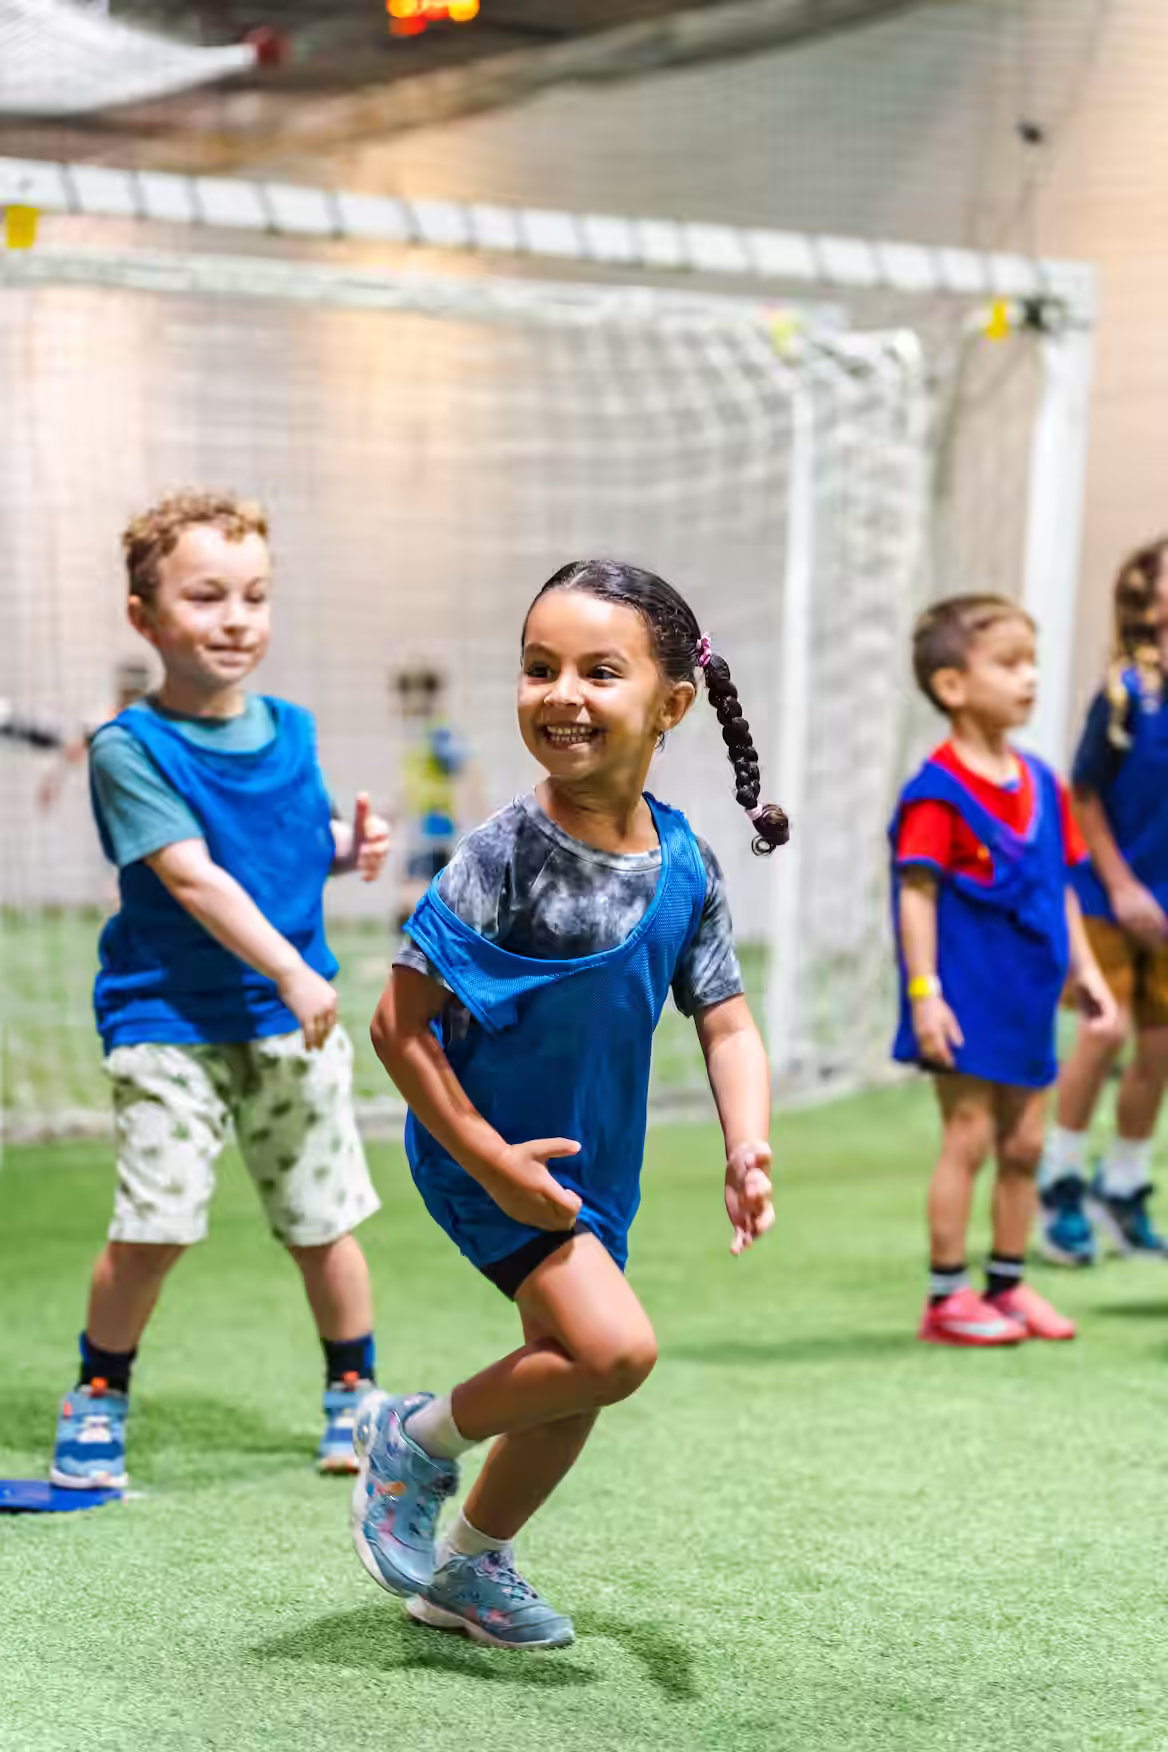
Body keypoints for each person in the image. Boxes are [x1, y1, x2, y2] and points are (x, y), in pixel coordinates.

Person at [351, 560, 782, 1649]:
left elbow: (727, 1023)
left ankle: (466, 1570)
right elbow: (398, 1028)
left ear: (672, 705)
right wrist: (492, 1160)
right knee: (614, 1351)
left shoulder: (686, 864)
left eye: (598, 671)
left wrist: (748, 1144)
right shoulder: (502, 854)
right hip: (483, 1155)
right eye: (539, 667)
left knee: (571, 1380)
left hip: (592, 1170)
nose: (561, 694)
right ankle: (413, 1438)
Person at [50, 490, 390, 1492]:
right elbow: (194, 876)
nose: (237, 619)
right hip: (169, 1026)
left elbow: (285, 845)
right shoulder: (130, 750)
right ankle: (98, 1394)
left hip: (291, 1024)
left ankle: (353, 1393)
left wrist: (349, 847)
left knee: (323, 1220)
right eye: (206, 597)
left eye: (255, 595)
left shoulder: (292, 731)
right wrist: (288, 966)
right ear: (144, 616)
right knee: (153, 1228)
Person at [891, 594, 1117, 1347]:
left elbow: (1061, 890)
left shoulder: (1045, 784)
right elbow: (916, 896)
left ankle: (1009, 1285)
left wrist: (1088, 971)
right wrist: (925, 994)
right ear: (952, 685)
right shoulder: (936, 793)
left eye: (1033, 663)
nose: (1030, 679)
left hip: (1029, 1000)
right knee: (970, 1137)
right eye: (1010, 663)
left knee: (1025, 1145)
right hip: (963, 998)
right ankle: (946, 1298)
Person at [1039, 540, 1168, 1264]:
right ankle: (1059, 1181)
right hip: (1108, 893)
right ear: (1149, 603)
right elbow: (1083, 795)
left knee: (1160, 1045)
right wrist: (1121, 887)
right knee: (1105, 1029)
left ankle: (1121, 1189)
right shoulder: (1123, 697)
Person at [389, 663, 479, 933]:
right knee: (420, 892)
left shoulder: (438, 734)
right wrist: (393, 811)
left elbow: (464, 772)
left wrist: (476, 817)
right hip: (418, 826)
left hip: (432, 825)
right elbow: (414, 785)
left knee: (414, 893)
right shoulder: (417, 735)